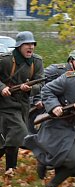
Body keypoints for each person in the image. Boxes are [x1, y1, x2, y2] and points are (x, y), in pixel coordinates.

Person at [24, 52, 75, 187]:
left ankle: (51, 183)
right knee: (73, 159)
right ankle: (47, 170)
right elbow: (47, 90)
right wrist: (54, 106)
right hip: (57, 124)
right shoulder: (69, 79)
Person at [0, 31, 44, 177]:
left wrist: (30, 89)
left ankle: (10, 168)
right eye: (27, 44)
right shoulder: (6, 60)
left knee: (9, 137)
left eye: (33, 44)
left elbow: (40, 83)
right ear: (19, 46)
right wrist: (2, 88)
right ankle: (11, 168)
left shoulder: (36, 62)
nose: (31, 47)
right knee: (18, 131)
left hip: (23, 105)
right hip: (5, 103)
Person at [28, 49, 75, 134]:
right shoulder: (57, 70)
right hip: (42, 104)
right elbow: (38, 80)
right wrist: (37, 98)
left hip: (59, 108)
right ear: (71, 61)